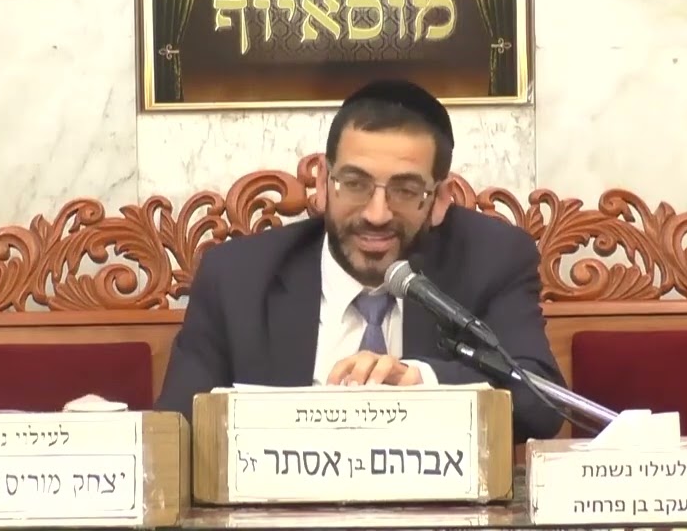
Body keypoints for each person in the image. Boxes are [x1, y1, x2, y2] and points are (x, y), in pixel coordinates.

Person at [155, 79, 565, 441]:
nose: (377, 214)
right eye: (355, 184)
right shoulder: (237, 277)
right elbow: (178, 427)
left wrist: (422, 382)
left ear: (440, 200)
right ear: (322, 184)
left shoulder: (490, 259)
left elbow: (542, 403)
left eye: (405, 190)